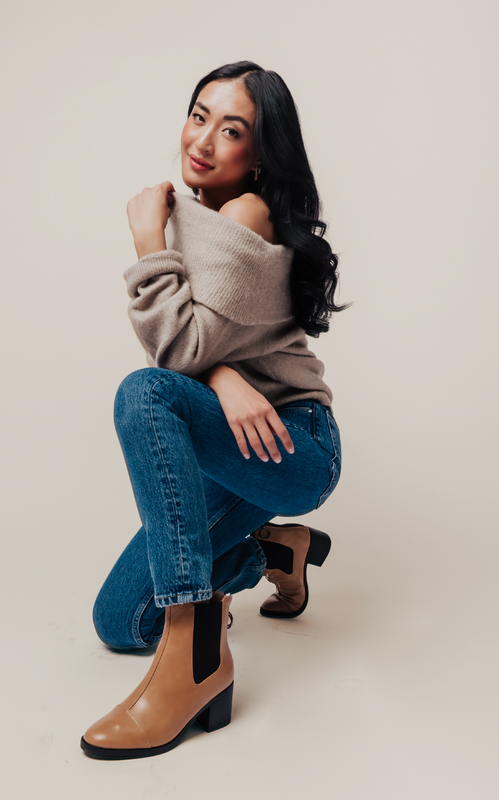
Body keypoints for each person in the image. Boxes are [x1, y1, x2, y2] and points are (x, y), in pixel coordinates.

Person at [80, 61, 348, 760]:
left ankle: (197, 658)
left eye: (231, 130)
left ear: (260, 154)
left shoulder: (244, 213)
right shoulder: (204, 214)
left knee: (141, 395)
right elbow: (193, 350)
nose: (202, 140)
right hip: (232, 450)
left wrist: (147, 245)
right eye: (199, 116)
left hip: (292, 447)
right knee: (119, 620)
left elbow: (175, 351)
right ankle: (275, 551)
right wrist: (223, 375)